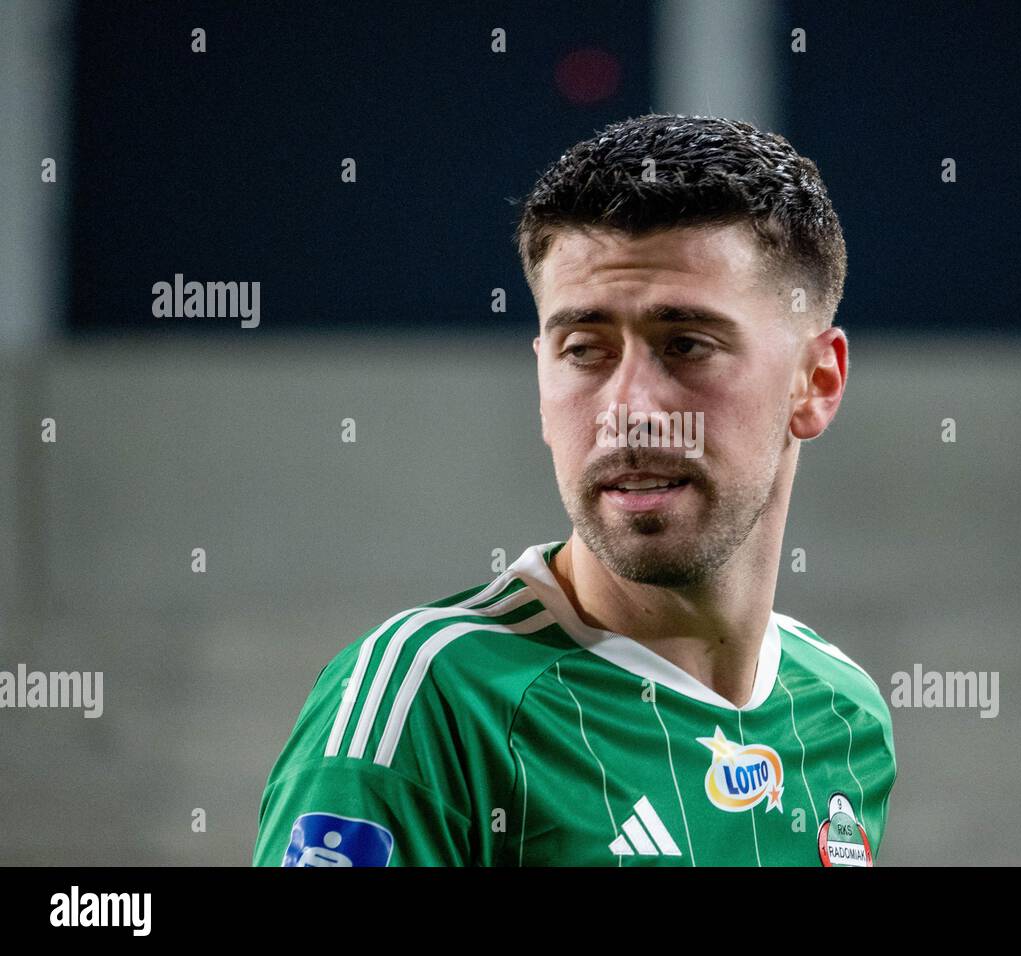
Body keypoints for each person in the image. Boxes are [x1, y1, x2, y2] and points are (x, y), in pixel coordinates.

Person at [253, 114, 895, 866]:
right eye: (584, 350)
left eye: (687, 345)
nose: (629, 410)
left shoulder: (844, 718)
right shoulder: (429, 703)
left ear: (815, 383)